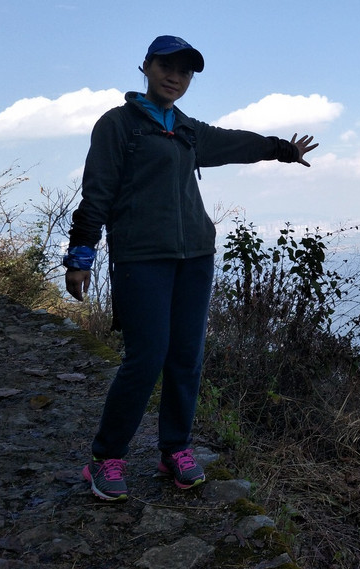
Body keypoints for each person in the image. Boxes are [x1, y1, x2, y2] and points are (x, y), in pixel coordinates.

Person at [63, 35, 317, 501]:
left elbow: (236, 142)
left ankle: (173, 450)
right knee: (146, 357)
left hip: (195, 255)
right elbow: (97, 191)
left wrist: (282, 149)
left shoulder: (187, 129)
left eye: (186, 70)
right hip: (142, 257)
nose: (175, 75)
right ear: (146, 65)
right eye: (167, 65)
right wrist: (81, 255)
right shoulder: (118, 125)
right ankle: (105, 458)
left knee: (186, 357)